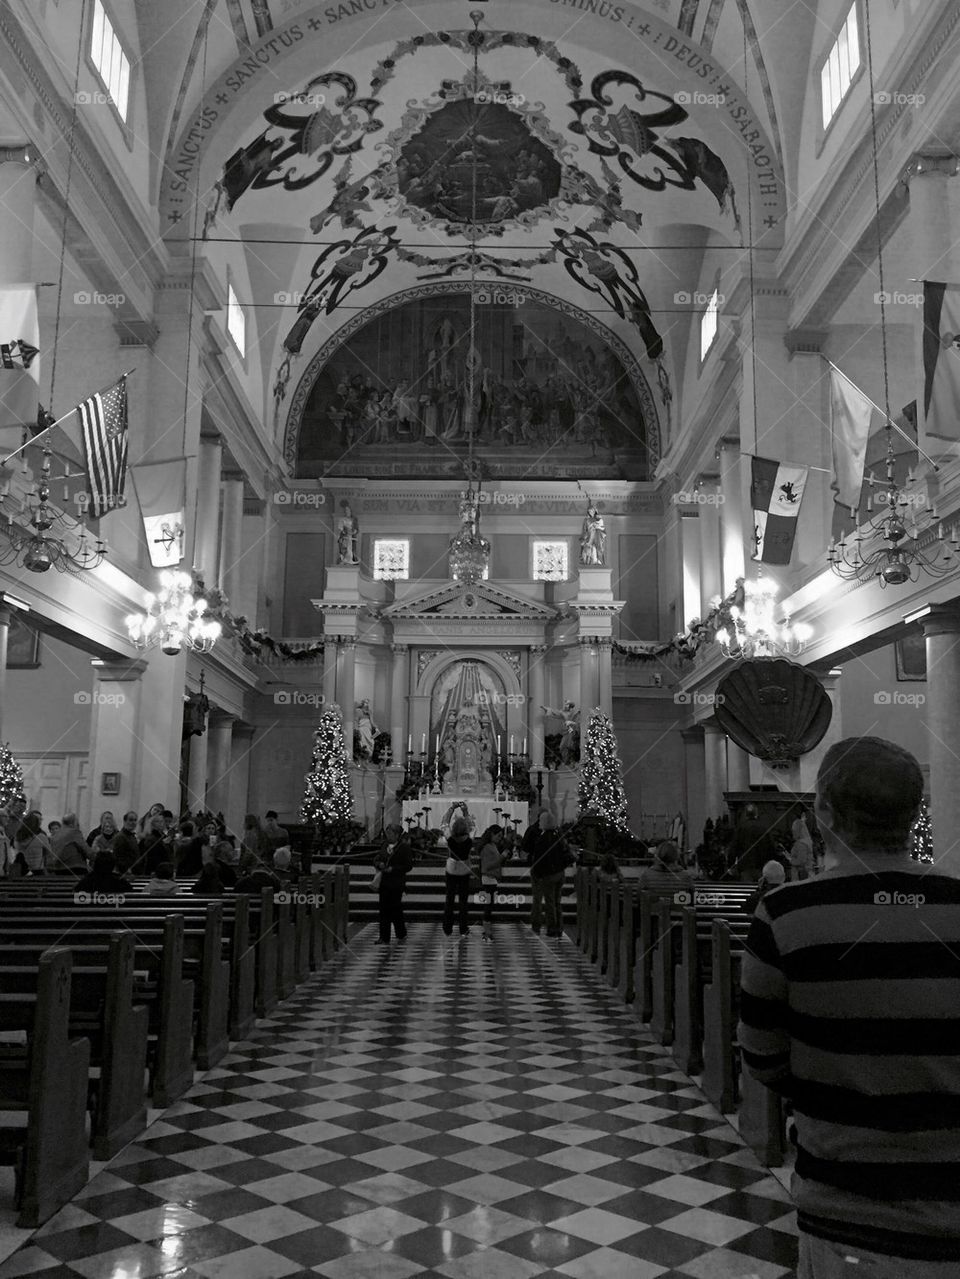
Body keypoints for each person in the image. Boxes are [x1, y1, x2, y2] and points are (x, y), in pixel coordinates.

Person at [739, 737, 960, 1275]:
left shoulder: (787, 914)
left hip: (844, 1207)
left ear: (823, 812)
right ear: (917, 812)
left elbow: (763, 1057)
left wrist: (836, 1085)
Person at [528, 813, 573, 937]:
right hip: (559, 873)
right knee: (557, 902)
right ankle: (558, 926)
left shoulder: (543, 839)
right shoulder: (558, 836)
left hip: (548, 875)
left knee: (550, 902)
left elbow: (539, 859)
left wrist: (536, 874)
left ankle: (552, 928)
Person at [375, 836, 414, 944]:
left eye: (391, 832)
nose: (388, 834)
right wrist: (379, 864)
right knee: (383, 909)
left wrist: (394, 869)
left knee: (396, 908)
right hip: (384, 881)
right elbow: (377, 858)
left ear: (396, 834)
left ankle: (401, 932)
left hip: (397, 882)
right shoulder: (384, 845)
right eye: (387, 832)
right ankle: (384, 936)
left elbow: (408, 866)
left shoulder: (404, 847)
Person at [442, 816, 474, 938]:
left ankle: (447, 928)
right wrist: (466, 812)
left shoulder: (450, 839)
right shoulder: (469, 840)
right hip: (464, 870)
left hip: (451, 870)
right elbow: (473, 827)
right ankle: (463, 928)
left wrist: (450, 812)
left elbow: (444, 825)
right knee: (463, 901)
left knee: (449, 899)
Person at [726, 804, 773, 883]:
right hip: (761, 866)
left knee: (747, 891)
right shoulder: (763, 828)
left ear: (746, 814)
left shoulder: (741, 828)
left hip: (745, 866)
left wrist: (731, 865)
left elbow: (734, 848)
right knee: (761, 890)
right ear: (756, 814)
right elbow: (770, 847)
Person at [478, 824, 509, 942]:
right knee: (488, 906)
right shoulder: (487, 847)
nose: (500, 838)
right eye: (498, 835)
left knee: (490, 905)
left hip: (492, 878)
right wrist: (502, 857)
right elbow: (487, 867)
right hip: (488, 878)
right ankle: (487, 932)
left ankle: (487, 930)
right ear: (491, 834)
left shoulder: (492, 845)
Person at [14, 811, 47, 876]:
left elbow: (16, 849)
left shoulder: (17, 835)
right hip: (37, 869)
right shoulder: (42, 836)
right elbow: (48, 852)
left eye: (41, 819)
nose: (40, 821)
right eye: (38, 819)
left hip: (22, 868)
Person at [789, 807, 814, 881]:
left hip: (801, 876)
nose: (793, 832)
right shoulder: (806, 841)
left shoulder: (801, 844)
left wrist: (790, 859)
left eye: (794, 830)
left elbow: (801, 861)